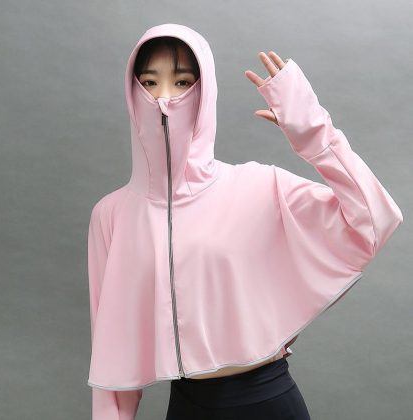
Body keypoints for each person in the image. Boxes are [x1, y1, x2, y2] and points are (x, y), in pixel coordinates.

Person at [86, 23, 403, 420]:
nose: (164, 98)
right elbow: (112, 363)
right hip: (186, 408)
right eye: (149, 83)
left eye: (182, 82)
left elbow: (375, 219)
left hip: (267, 403)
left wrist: (316, 136)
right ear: (133, 93)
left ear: (205, 93)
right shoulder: (112, 216)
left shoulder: (259, 186)